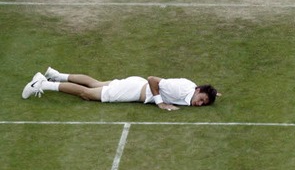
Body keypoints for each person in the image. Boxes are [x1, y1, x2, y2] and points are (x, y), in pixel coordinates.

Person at [22, 67, 220, 111]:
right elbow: (153, 79)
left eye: (203, 103)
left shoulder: (192, 89)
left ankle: (53, 74)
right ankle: (42, 84)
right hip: (133, 90)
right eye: (201, 99)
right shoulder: (179, 89)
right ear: (197, 89)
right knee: (88, 94)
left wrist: (214, 94)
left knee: (95, 83)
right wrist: (161, 103)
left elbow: (198, 92)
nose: (199, 104)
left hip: (134, 84)